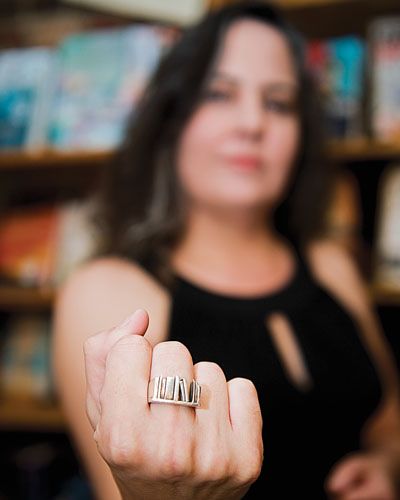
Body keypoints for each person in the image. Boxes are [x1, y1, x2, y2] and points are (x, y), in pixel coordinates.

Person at [52, 2, 400, 499]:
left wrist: (385, 464)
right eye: (219, 94)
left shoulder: (332, 264)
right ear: (170, 121)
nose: (253, 122)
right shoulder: (108, 291)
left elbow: (388, 423)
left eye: (279, 103)